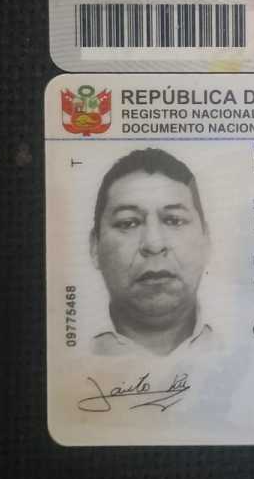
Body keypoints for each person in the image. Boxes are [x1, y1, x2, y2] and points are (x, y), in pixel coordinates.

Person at [89, 148, 212, 357]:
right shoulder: (67, 350)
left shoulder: (244, 345)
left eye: (174, 220)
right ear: (94, 247)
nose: (154, 244)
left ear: (206, 241)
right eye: (128, 223)